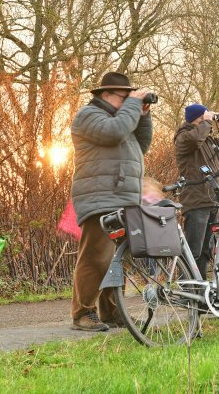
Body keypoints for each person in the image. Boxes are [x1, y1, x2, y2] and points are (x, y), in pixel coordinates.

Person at [69, 72, 153, 331]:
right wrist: (131, 107)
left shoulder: (122, 118)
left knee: (118, 258)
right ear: (105, 95)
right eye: (125, 96)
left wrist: (143, 115)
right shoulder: (89, 116)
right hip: (100, 196)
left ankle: (112, 312)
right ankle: (82, 313)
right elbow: (114, 133)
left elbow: (141, 146)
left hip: (122, 197)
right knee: (96, 256)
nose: (130, 99)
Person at [174, 103, 219, 279]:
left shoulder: (209, 140)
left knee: (205, 251)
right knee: (193, 250)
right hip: (196, 201)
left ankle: (200, 291)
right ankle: (186, 288)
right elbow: (195, 140)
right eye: (206, 115)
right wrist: (207, 122)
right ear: (199, 117)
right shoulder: (184, 137)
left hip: (213, 201)